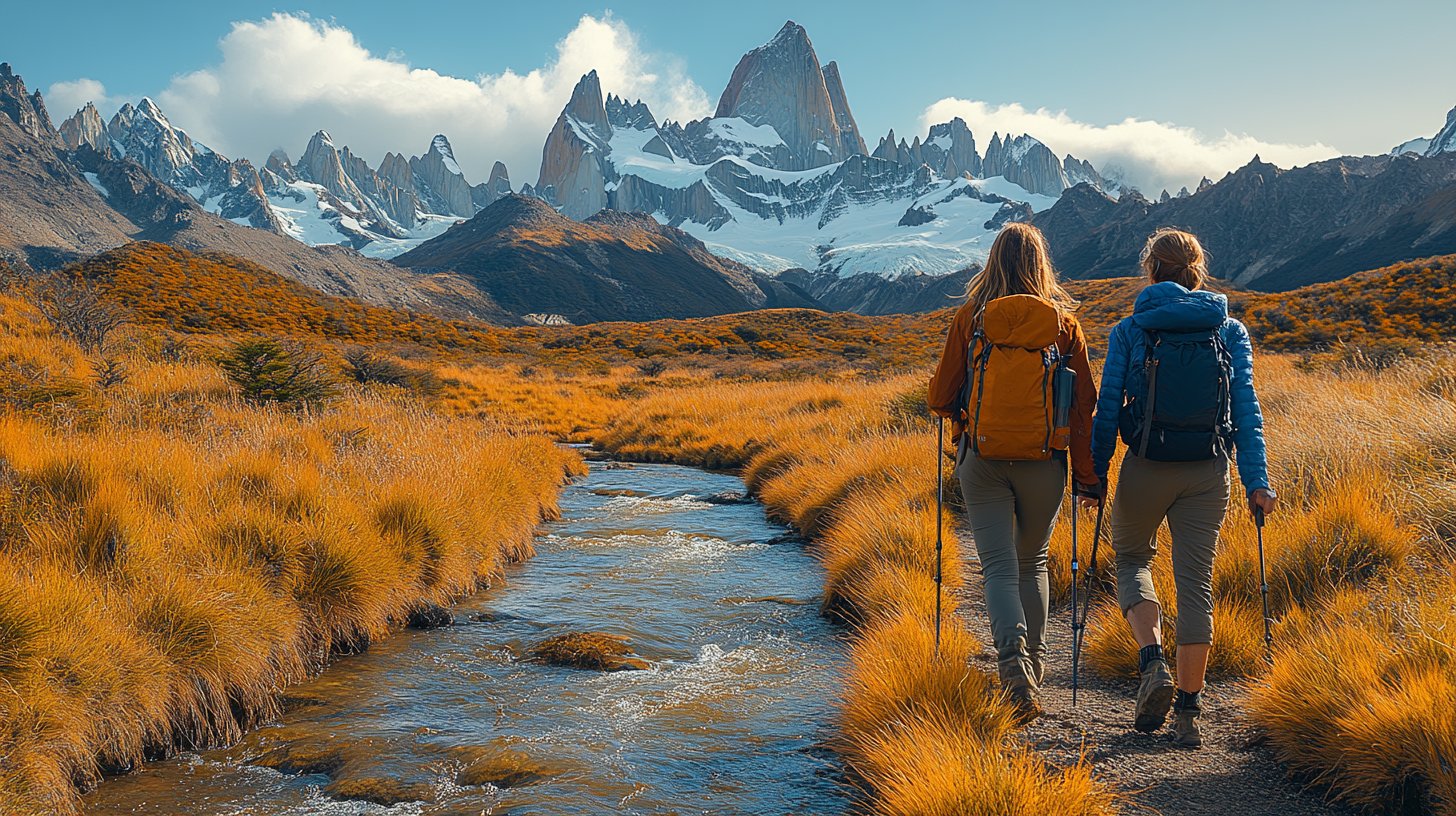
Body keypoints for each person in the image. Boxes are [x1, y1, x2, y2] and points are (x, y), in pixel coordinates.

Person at [1092, 227, 1277, 748]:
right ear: (1198, 268)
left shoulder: (1131, 329)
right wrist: (1257, 481)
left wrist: (1094, 472)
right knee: (1196, 583)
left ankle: (1152, 661)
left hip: (1146, 464)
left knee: (1132, 560)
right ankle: (1189, 716)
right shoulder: (1228, 331)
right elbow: (1247, 412)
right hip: (1208, 469)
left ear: (1151, 269)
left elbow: (1107, 407)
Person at [928, 222, 1101, 720]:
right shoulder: (1064, 326)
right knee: (1033, 562)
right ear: (1040, 263)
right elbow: (1082, 407)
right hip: (1045, 461)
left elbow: (940, 397)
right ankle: (1037, 665)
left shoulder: (972, 318)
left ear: (992, 261)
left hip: (981, 460)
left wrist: (962, 413)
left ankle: (1012, 666)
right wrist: (1087, 477)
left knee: (998, 567)